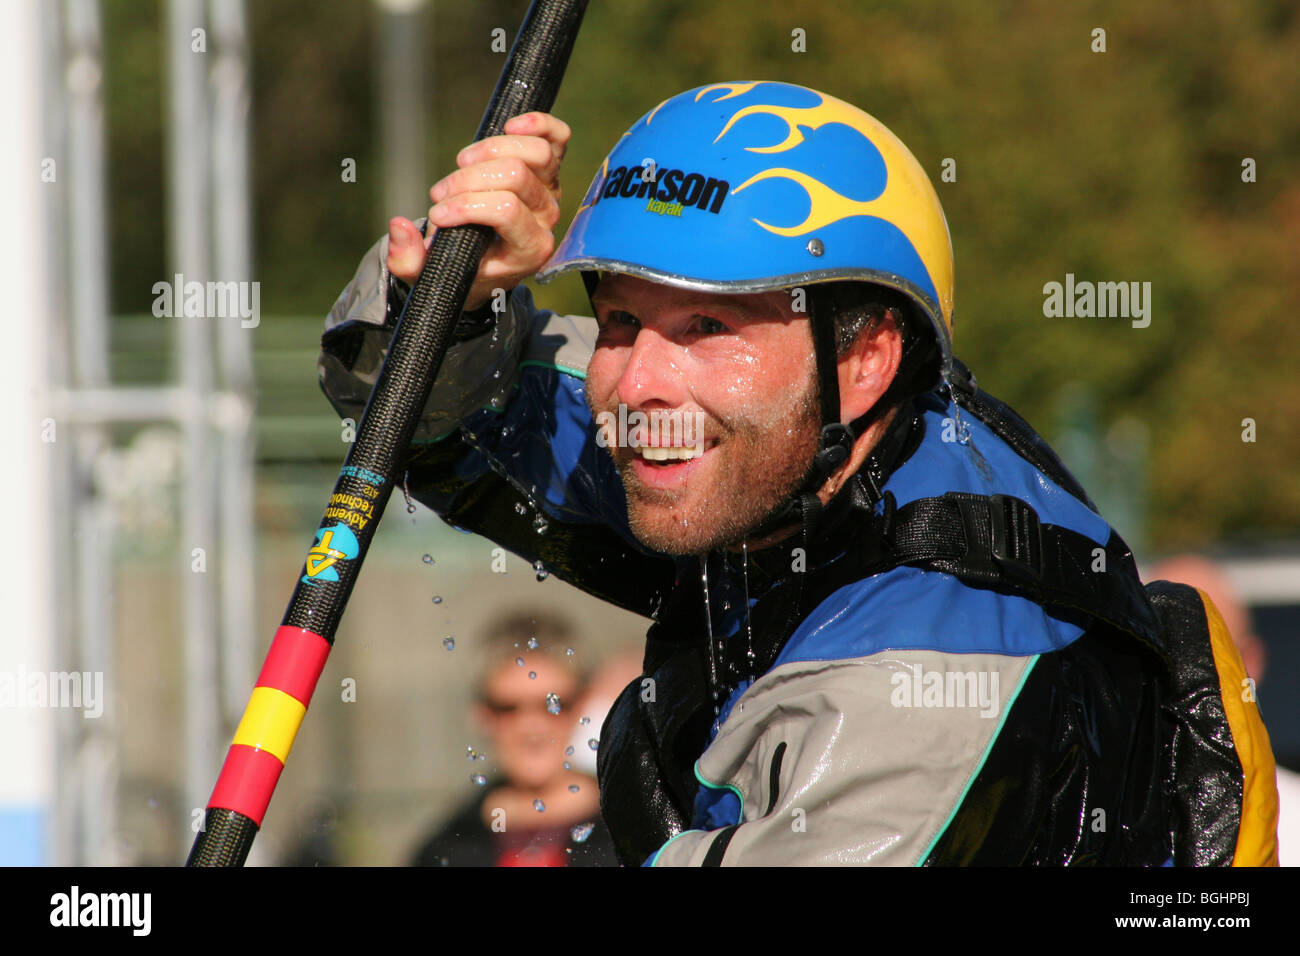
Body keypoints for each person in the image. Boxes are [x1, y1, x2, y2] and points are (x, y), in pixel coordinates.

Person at [320, 81, 1278, 865]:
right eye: (619, 319)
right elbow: (428, 418)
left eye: (706, 327)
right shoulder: (768, 455)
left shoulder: (924, 671)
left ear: (863, 361)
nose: (637, 383)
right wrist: (451, 295)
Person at [409, 611, 616, 866]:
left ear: (582, 706)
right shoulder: (445, 850)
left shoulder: (632, 833)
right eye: (508, 709)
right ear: (481, 714)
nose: (532, 728)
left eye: (554, 705)